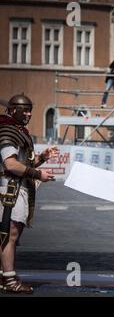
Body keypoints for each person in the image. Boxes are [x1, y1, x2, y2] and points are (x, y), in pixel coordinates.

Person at [0, 94, 58, 294]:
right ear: (13, 110)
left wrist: (42, 158)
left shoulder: (17, 130)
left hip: (16, 188)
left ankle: (5, 275)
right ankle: (9, 279)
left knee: (11, 234)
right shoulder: (7, 131)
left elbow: (24, 164)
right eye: (25, 110)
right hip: (9, 189)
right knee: (9, 234)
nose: (29, 114)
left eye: (30, 110)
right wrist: (38, 174)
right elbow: (11, 164)